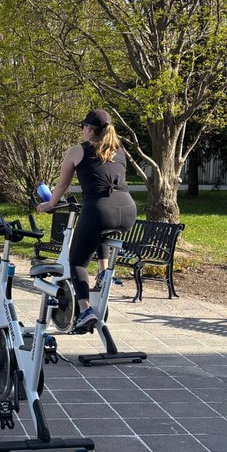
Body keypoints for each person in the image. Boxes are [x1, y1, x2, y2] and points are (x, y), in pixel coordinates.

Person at [36, 108, 137, 332]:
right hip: (128, 211)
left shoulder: (78, 150)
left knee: (77, 262)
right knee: (98, 233)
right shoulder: (119, 150)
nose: (82, 130)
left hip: (100, 210)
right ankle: (102, 272)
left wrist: (49, 204)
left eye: (83, 126)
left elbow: (62, 185)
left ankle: (84, 310)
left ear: (89, 129)